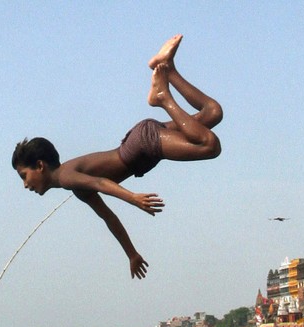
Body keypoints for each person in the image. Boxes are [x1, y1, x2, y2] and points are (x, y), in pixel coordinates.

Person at [12, 34, 222, 279]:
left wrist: (133, 198)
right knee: (212, 113)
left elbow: (102, 183)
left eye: (24, 176)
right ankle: (168, 69)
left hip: (143, 145)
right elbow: (108, 217)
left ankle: (163, 98)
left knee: (209, 145)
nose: (25, 184)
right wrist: (131, 254)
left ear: (40, 166)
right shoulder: (74, 185)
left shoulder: (67, 177)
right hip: (142, 141)